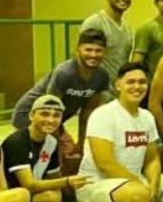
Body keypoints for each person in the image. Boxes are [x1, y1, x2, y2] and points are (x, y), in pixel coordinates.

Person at [75, 63, 163, 202]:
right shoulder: (103, 115)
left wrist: (154, 184)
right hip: (95, 186)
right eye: (130, 82)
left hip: (129, 183)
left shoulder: (147, 117)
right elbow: (105, 163)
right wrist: (141, 187)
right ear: (118, 85)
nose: (137, 86)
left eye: (142, 82)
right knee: (139, 194)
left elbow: (152, 158)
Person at [11, 28, 111, 174]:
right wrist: (56, 145)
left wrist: (81, 143)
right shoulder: (64, 73)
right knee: (46, 158)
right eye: (88, 50)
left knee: (73, 157)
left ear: (105, 52)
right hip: (31, 115)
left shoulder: (102, 76)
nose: (93, 55)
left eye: (98, 51)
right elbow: (49, 108)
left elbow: (87, 112)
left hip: (56, 121)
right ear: (78, 50)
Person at [2, 95, 88, 202]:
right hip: (11, 195)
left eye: (56, 116)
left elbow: (54, 177)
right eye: (45, 114)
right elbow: (28, 185)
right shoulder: (17, 142)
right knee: (50, 199)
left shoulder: (51, 142)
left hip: (31, 195)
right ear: (31, 115)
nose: (50, 120)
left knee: (63, 197)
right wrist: (67, 181)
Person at [80, 0, 134, 86]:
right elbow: (81, 60)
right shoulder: (95, 22)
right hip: (97, 91)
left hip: (119, 90)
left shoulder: (127, 26)